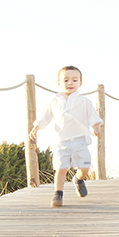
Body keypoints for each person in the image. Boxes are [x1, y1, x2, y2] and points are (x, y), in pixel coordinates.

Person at [33, 66, 103, 209]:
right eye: (66, 80)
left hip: (80, 140)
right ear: (59, 83)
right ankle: (58, 194)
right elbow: (44, 117)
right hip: (61, 141)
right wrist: (36, 128)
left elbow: (93, 117)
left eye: (74, 80)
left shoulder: (84, 102)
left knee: (84, 166)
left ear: (80, 83)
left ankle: (78, 179)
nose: (70, 83)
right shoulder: (54, 101)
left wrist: (96, 127)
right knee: (61, 168)